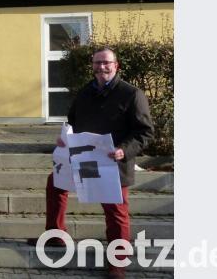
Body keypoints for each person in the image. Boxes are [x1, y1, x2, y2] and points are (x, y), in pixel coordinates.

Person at [29, 47, 154, 279]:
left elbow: (145, 133)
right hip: (83, 158)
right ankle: (56, 235)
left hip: (112, 164)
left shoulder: (132, 94)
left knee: (116, 213)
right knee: (55, 184)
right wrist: (65, 137)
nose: (101, 67)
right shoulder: (86, 92)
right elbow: (72, 121)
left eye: (106, 63)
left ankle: (118, 263)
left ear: (116, 65)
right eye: (97, 63)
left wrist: (122, 151)